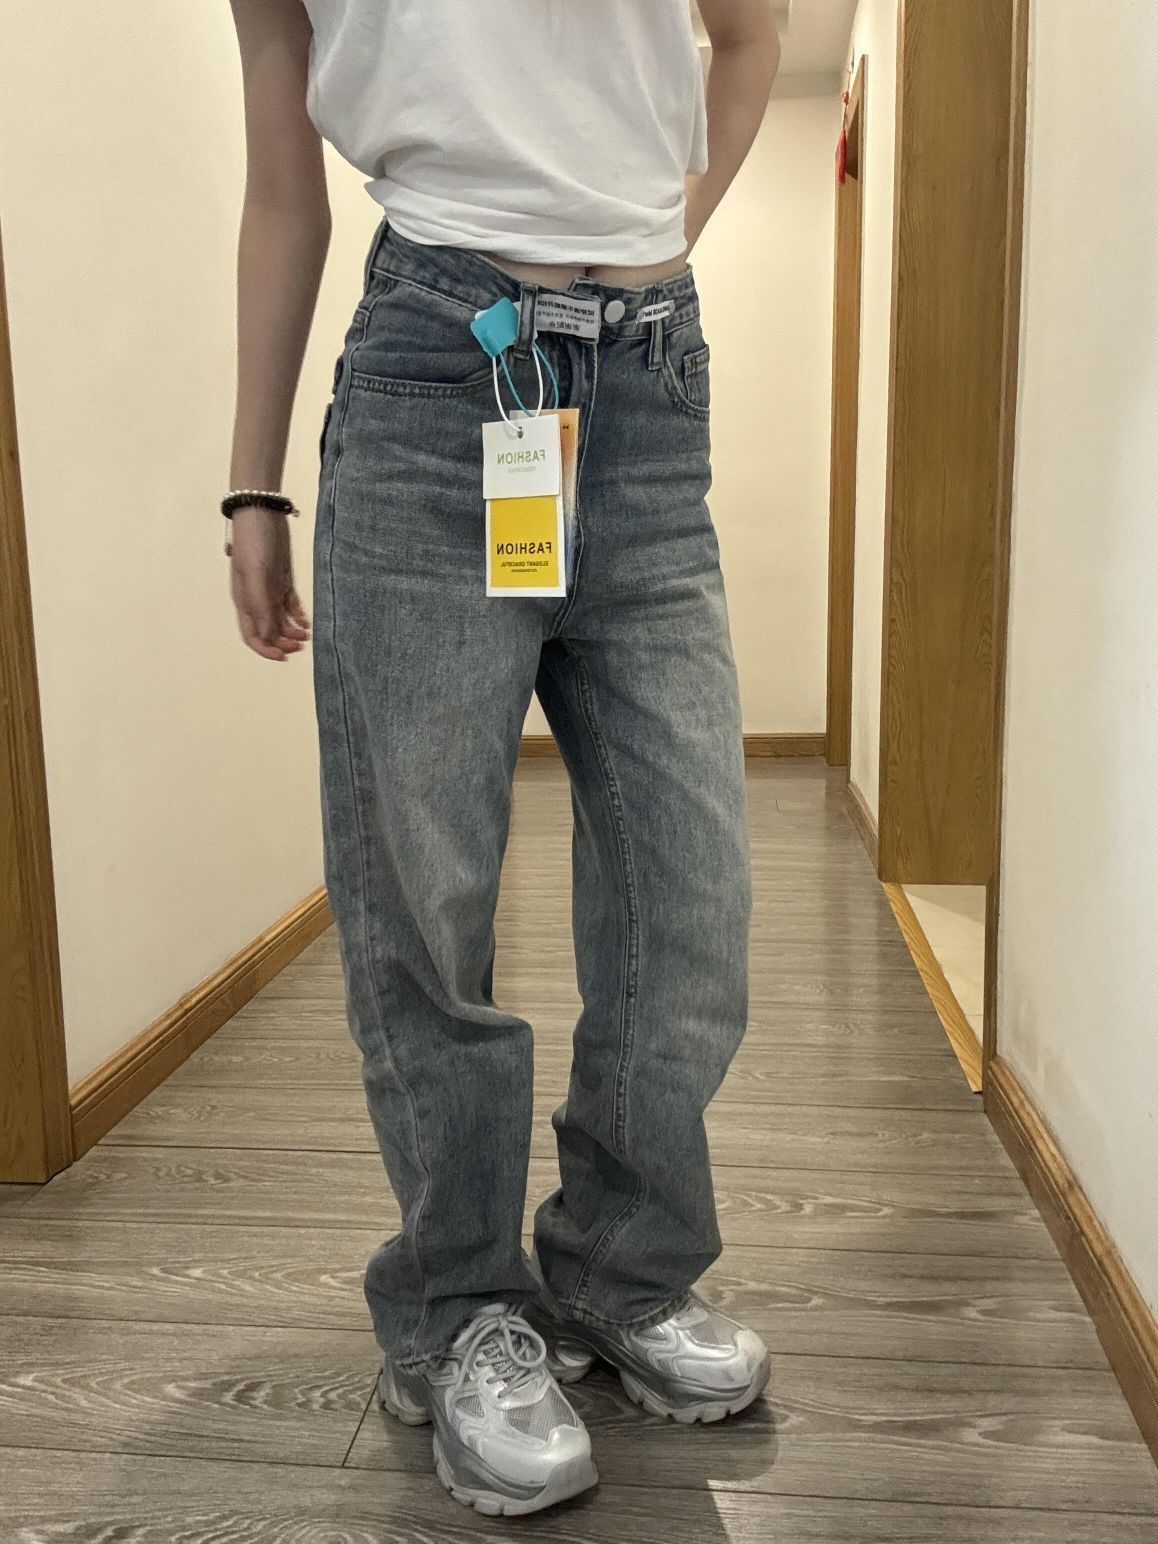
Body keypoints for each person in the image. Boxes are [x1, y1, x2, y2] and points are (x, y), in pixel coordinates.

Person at [227, 0, 780, 1517]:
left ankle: (619, 1268)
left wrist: (657, 241)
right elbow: (281, 189)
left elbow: (749, 36)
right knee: (424, 900)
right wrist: (251, 486)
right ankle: (461, 1306)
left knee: (690, 904)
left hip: (650, 392)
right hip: (432, 375)